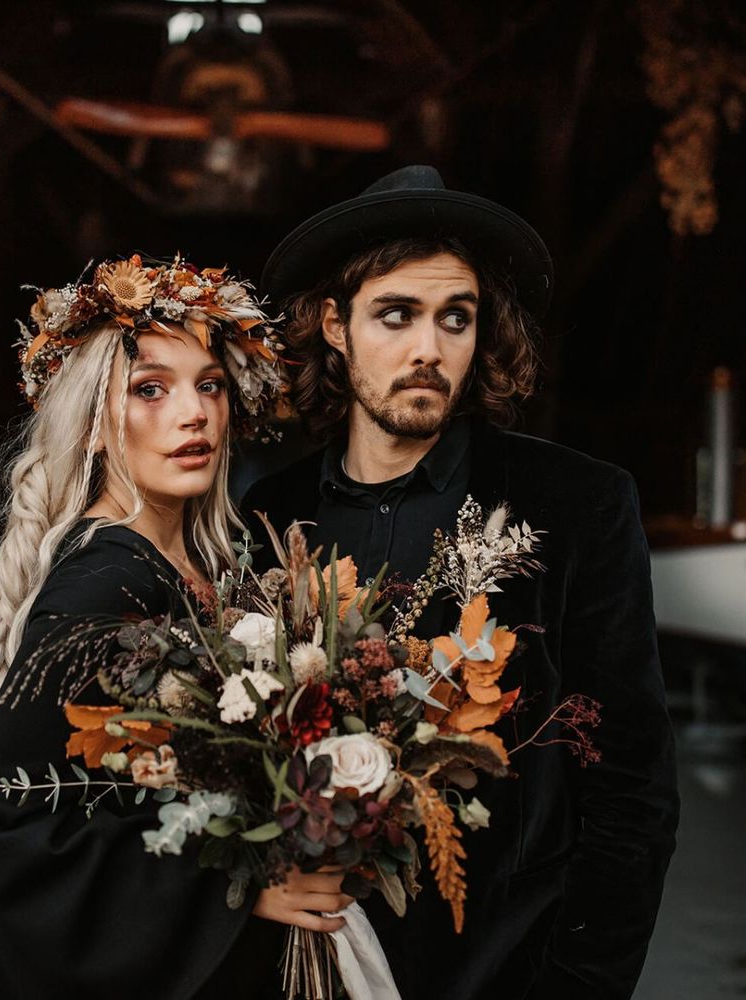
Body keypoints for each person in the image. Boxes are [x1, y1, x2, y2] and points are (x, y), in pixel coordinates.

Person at [243, 166, 680, 1000]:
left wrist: (578, 985)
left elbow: (632, 791)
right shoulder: (272, 516)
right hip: (317, 971)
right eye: (396, 314)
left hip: (509, 974)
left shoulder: (575, 504)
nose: (427, 350)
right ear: (335, 325)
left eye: (457, 319)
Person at [0, 255, 353, 1000]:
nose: (193, 412)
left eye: (209, 386)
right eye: (149, 390)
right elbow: (0, 824)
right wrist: (235, 887)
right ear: (96, 427)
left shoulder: (201, 564)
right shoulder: (106, 582)